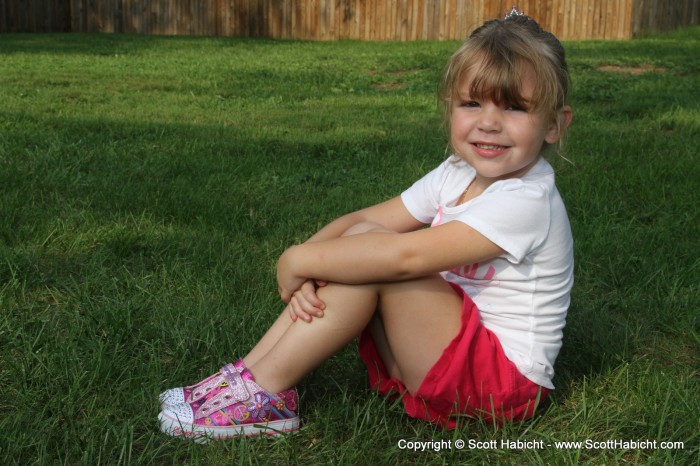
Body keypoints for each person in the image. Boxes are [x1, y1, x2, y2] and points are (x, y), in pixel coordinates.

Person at [158, 9, 574, 442]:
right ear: (450, 106)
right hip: (438, 356)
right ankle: (251, 376)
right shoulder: (457, 172)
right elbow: (367, 219)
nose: (489, 122)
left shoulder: (528, 200)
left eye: (513, 108)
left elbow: (403, 256)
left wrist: (302, 259)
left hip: (499, 387)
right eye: (472, 102)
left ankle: (266, 394)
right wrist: (308, 265)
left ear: (553, 124)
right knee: (360, 246)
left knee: (373, 258)